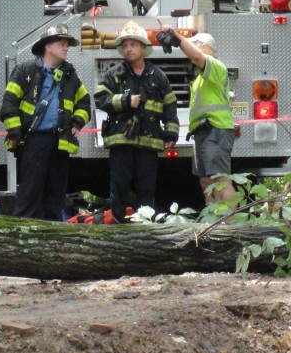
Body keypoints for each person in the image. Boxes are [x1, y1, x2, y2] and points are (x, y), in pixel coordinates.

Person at [0, 24, 91, 221]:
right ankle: (23, 232)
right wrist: (15, 131)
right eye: (62, 44)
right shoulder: (25, 70)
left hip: (60, 141)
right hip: (34, 140)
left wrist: (77, 122)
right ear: (47, 47)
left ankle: (53, 234)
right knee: (30, 190)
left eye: (67, 44)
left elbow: (84, 101)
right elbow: (9, 102)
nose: (66, 48)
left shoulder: (69, 74)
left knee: (56, 192)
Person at [94, 21, 180, 223]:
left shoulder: (157, 76)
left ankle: (145, 229)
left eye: (132, 44)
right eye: (124, 45)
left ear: (143, 47)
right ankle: (118, 226)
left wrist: (171, 133)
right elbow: (99, 99)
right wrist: (124, 101)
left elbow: (170, 105)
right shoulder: (114, 74)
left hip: (149, 143)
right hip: (121, 141)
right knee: (119, 186)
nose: (128, 49)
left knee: (146, 188)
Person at [161, 26, 236, 207]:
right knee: (206, 182)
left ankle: (228, 225)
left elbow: (195, 56)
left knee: (220, 180)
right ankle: (213, 223)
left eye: (193, 45)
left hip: (216, 129)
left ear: (203, 47)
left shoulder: (215, 66)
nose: (188, 50)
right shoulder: (200, 78)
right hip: (203, 132)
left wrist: (177, 37)